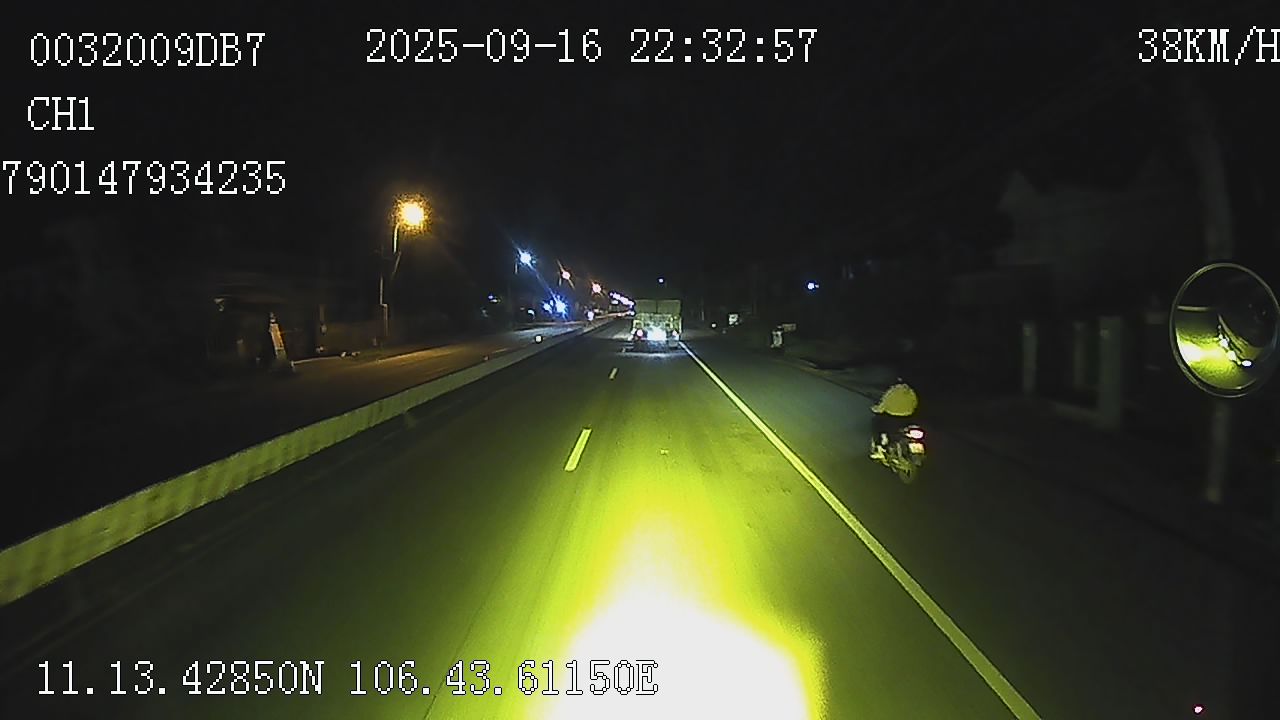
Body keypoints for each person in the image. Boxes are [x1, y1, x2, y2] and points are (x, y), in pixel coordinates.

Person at [869, 376, 919, 460]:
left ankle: (879, 448)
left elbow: (883, 405)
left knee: (876, 423)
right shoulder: (911, 392)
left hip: (893, 418)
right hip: (908, 417)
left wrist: (875, 409)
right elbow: (915, 404)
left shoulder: (892, 391)